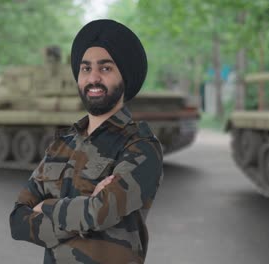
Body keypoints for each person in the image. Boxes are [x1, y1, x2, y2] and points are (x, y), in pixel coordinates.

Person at [9, 19, 163, 264]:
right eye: (85, 68)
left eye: (105, 68)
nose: (93, 78)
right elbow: (17, 221)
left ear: (125, 75)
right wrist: (85, 210)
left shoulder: (140, 146)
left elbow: (100, 212)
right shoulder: (62, 143)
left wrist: (45, 206)